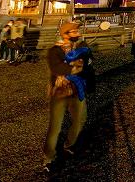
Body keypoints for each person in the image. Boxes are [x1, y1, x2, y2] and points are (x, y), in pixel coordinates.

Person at [43, 22, 91, 172]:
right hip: (60, 92)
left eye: (77, 30)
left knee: (80, 119)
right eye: (74, 31)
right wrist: (74, 67)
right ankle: (49, 157)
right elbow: (56, 68)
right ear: (65, 34)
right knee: (55, 126)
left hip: (77, 90)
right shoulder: (55, 50)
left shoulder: (80, 48)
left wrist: (79, 66)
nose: (77, 33)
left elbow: (88, 63)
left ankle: (69, 144)